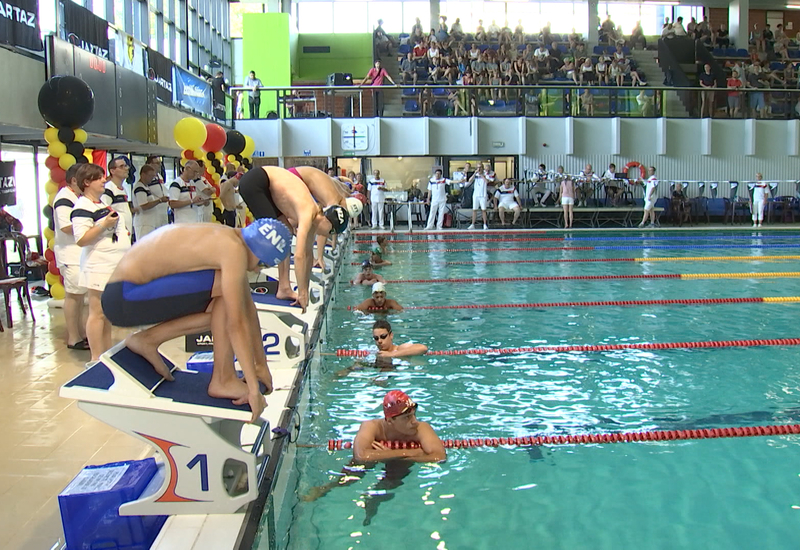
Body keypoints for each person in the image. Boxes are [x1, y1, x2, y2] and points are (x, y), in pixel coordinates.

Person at [101, 218, 290, 423]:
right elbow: (237, 325)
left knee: (227, 302)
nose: (256, 270)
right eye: (262, 264)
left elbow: (249, 310)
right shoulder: (232, 250)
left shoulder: (231, 238)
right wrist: (253, 389)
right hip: (125, 298)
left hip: (126, 293)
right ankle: (223, 379)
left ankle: (148, 340)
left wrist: (261, 366)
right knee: (227, 298)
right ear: (258, 250)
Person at [238, 166, 349, 311]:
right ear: (327, 221)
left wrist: (305, 290)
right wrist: (302, 293)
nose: (328, 236)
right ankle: (237, 262)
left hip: (268, 184)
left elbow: (308, 255)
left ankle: (284, 287)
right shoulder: (308, 213)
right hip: (255, 182)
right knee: (277, 235)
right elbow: (299, 256)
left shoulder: (316, 219)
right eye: (331, 232)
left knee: (286, 231)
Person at [71, 163, 132, 361]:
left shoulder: (101, 204)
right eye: (98, 178)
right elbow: (81, 239)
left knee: (106, 313)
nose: (103, 180)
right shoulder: (82, 207)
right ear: (87, 182)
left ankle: (106, 354)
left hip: (113, 263)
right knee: (97, 313)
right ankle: (96, 358)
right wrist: (104, 224)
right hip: (98, 265)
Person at [53, 164, 88, 350]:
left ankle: (80, 332)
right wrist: (93, 226)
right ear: (74, 180)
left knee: (79, 296)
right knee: (73, 296)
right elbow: (66, 226)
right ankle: (73, 337)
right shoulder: (64, 198)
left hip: (79, 252)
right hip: (70, 253)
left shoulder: (77, 197)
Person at [102, 157, 134, 244]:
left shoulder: (123, 189)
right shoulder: (108, 189)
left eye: (126, 166)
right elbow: (105, 212)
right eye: (121, 166)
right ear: (112, 171)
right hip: (116, 235)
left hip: (126, 233)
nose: (126, 169)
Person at [132, 165, 168, 239]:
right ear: (143, 175)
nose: (152, 178)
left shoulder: (146, 187)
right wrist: (159, 200)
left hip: (150, 222)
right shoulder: (139, 188)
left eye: (153, 176)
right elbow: (144, 206)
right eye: (150, 176)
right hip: (144, 223)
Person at [467, 164, 489, 230]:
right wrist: (475, 173)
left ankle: (485, 224)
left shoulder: (486, 174)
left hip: (483, 195)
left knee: (484, 210)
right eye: (477, 167)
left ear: (482, 168)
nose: (479, 169)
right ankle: (472, 224)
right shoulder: (475, 175)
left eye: (480, 167)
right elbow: (469, 180)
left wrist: (482, 175)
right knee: (474, 210)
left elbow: (487, 181)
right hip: (476, 195)